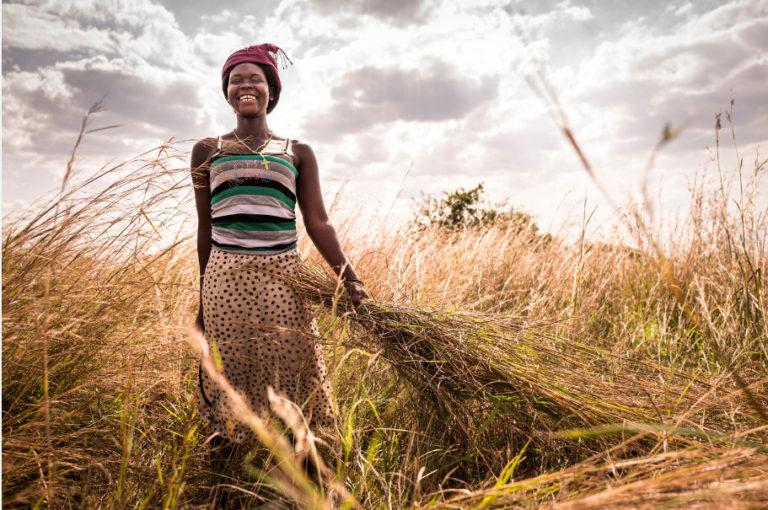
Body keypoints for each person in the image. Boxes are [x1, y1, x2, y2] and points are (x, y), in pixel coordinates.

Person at [190, 43, 368, 469]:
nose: (245, 85)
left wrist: (351, 279)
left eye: (255, 79)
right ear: (227, 92)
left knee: (294, 375)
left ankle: (306, 472)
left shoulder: (296, 151)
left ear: (271, 89)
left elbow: (318, 223)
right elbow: (206, 229)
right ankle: (230, 473)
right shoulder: (207, 150)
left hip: (284, 279)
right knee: (229, 378)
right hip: (224, 279)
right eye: (236, 80)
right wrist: (201, 299)